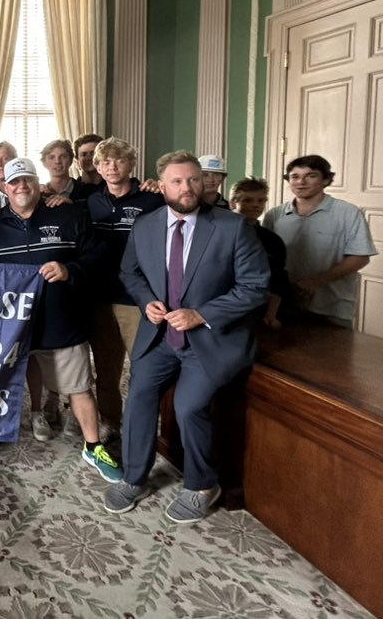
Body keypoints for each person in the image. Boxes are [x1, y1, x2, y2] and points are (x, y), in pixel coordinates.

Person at [104, 150, 270, 523]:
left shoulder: (232, 227)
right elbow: (130, 273)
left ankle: (202, 485)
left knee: (188, 406)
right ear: (161, 186)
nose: (187, 188)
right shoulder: (145, 226)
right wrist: (146, 301)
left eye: (194, 179)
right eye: (177, 181)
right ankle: (134, 478)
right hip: (160, 337)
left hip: (212, 339)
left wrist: (202, 314)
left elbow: (256, 287)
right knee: (139, 397)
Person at [0, 158, 122, 484]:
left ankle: (93, 446)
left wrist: (71, 269)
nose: (21, 186)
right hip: (12, 326)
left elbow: (98, 255)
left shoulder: (68, 216)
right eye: (14, 182)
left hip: (62, 319)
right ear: (4, 187)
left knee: (79, 386)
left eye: (27, 179)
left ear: (38, 183)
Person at [85, 137, 165, 437]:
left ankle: (142, 424)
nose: (112, 167)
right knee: (106, 370)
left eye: (119, 160)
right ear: (98, 167)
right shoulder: (91, 201)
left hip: (137, 298)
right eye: (105, 162)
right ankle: (111, 422)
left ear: (131, 164)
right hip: (100, 297)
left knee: (144, 369)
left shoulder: (152, 199)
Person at [263, 154, 376, 329]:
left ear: (326, 180)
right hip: (282, 307)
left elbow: (360, 257)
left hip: (331, 308)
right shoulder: (275, 215)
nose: (301, 182)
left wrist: (314, 282)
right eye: (295, 176)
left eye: (311, 176)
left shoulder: (348, 213)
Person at [229, 177, 289, 329]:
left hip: (258, 310)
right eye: (248, 200)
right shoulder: (218, 233)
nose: (256, 205)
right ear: (233, 203)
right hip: (223, 307)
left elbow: (278, 278)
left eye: (261, 201)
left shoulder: (272, 240)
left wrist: (271, 314)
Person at [40, 139, 101, 207]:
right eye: (51, 157)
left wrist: (72, 205)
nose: (57, 161)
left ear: (71, 161)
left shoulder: (90, 191)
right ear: (44, 163)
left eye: (63, 156)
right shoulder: (39, 194)